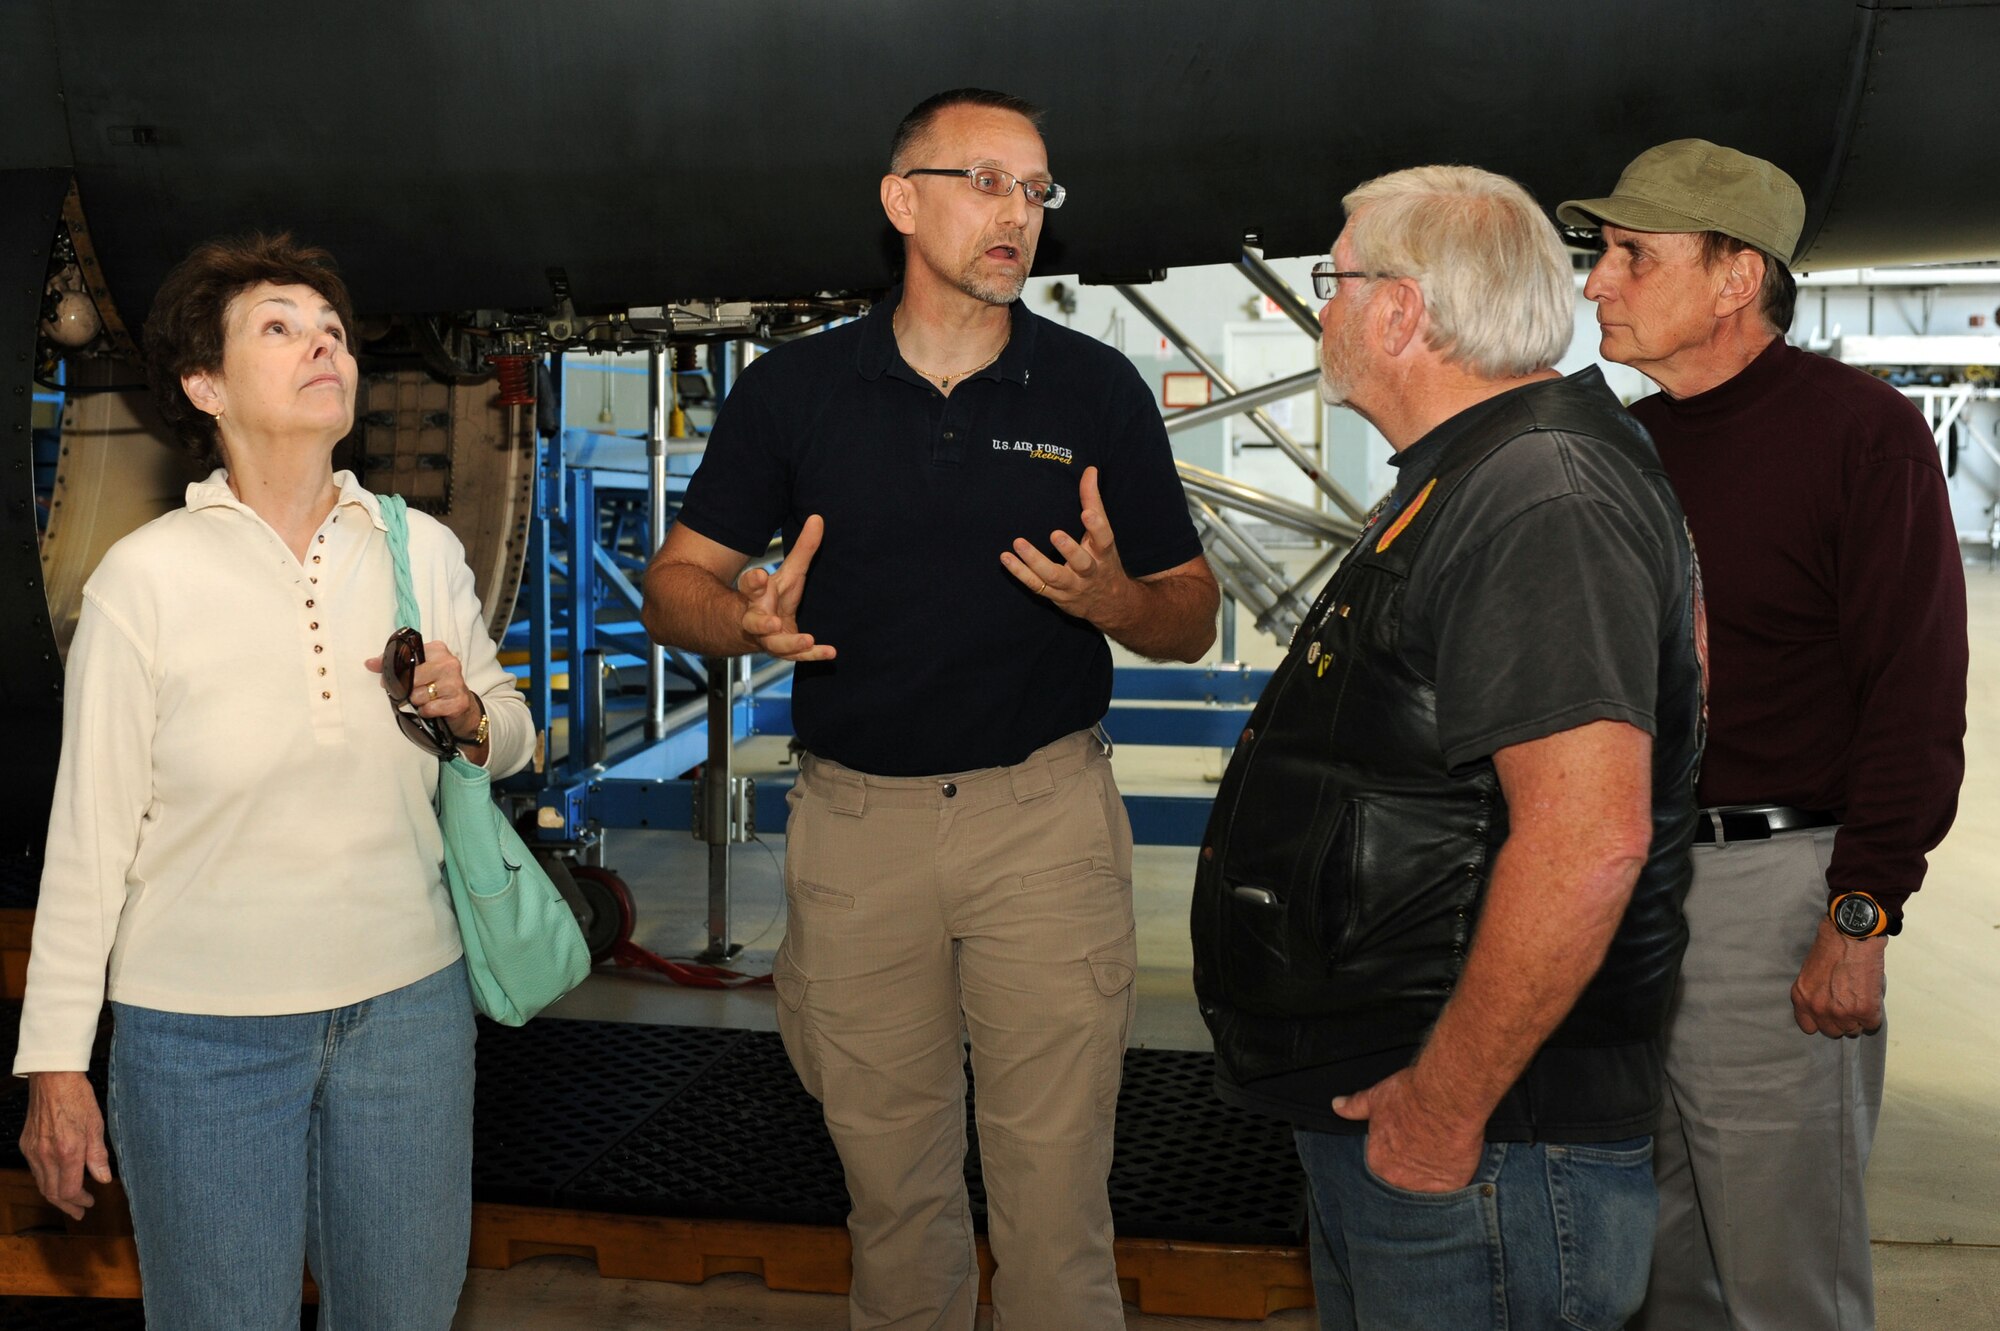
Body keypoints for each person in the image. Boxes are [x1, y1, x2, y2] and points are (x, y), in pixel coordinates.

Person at [641, 88, 1217, 1328]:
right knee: (894, 1206)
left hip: (1041, 822)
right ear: (903, 201)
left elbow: (1190, 612)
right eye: (985, 181)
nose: (1015, 212)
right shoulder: (795, 392)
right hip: (857, 831)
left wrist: (1115, 595)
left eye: (1034, 190)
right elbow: (672, 583)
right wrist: (738, 620)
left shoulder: (1093, 389)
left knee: (1056, 1212)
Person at [1192, 165, 1705, 1330]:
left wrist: (1443, 1102)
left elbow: (1586, 840)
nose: (1318, 306)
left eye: (1332, 279)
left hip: (1482, 1146)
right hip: (1419, 1115)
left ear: (1400, 311)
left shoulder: (1538, 496)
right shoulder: (1482, 470)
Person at [12, 233, 534, 1330]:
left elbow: (518, 736)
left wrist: (472, 713)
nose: (321, 347)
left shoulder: (419, 550)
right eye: (280, 328)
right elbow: (89, 840)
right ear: (205, 385)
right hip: (199, 1034)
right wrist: (56, 1066)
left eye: (333, 331)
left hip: (408, 1014)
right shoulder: (142, 582)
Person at [1559, 139, 1969, 1330]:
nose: (1597, 281)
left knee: (1779, 1273)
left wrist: (1861, 909)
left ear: (1735, 277)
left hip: (1774, 893)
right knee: (1652, 1261)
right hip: (1624, 888)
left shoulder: (1858, 432)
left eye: (1632, 254)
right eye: (1601, 254)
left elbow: (1912, 686)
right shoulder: (1624, 446)